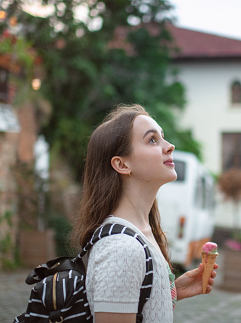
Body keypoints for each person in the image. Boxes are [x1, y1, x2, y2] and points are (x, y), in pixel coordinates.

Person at [71, 104, 218, 322]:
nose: (170, 147)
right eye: (152, 140)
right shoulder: (122, 248)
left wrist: (172, 292)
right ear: (122, 164)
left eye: (163, 137)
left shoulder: (141, 233)